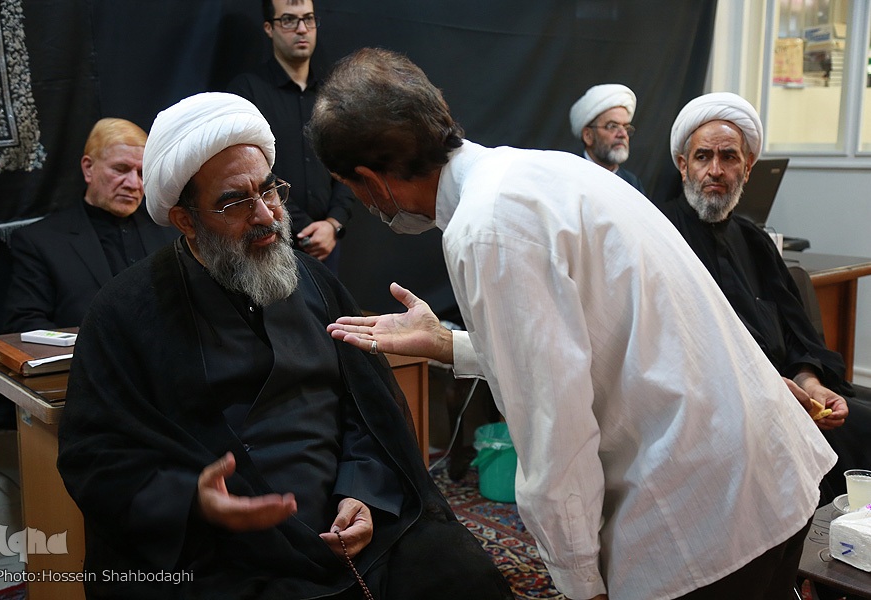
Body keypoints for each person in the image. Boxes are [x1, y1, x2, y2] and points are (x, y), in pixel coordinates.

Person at [307, 48, 837, 600]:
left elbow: (554, 431)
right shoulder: (541, 171)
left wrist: (580, 581)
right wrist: (449, 344)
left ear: (370, 180)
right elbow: (580, 343)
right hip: (767, 472)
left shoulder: (485, 228)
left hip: (706, 515)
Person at [56, 92, 513, 600]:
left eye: (269, 189)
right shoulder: (124, 313)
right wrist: (193, 501)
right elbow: (94, 458)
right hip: (221, 551)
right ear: (186, 220)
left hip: (352, 525)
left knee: (459, 574)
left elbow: (367, 413)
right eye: (235, 201)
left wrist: (361, 491)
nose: (265, 214)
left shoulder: (316, 284)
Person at [658, 91, 871, 507]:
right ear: (683, 166)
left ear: (748, 167)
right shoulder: (660, 235)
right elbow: (671, 351)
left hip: (794, 402)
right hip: (722, 408)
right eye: (702, 157)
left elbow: (796, 334)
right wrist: (766, 388)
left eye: (729, 157)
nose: (715, 170)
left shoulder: (755, 241)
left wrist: (811, 383)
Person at [3, 118, 178, 332]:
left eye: (142, 173)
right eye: (121, 169)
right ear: (88, 168)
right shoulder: (41, 241)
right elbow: (26, 324)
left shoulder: (170, 230)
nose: (134, 184)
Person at [227, 0, 354, 275]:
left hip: (327, 243)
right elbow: (246, 171)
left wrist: (333, 224)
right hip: (268, 240)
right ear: (269, 28)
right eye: (289, 20)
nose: (302, 29)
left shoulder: (333, 94)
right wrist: (305, 229)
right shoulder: (247, 92)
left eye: (308, 19)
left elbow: (349, 165)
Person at [569, 83, 646, 194]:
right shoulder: (569, 176)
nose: (623, 134)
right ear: (588, 136)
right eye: (612, 126)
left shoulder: (632, 183)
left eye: (626, 127)